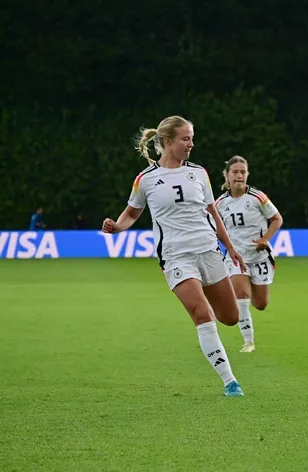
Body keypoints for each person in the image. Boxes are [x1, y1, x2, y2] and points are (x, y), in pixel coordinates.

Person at [102, 115, 247, 397]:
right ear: (168, 141)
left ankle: (207, 311)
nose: (191, 144)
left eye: (192, 138)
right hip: (175, 256)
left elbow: (213, 213)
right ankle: (230, 382)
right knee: (202, 314)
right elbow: (132, 212)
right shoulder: (146, 179)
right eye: (186, 139)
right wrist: (118, 227)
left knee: (230, 317)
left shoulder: (199, 173)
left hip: (208, 250)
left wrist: (230, 247)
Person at [216, 155, 284, 353]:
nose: (239, 176)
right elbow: (214, 227)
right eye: (235, 172)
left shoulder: (257, 197)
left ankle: (252, 290)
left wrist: (265, 239)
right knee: (241, 295)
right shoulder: (219, 203)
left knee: (261, 304)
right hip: (236, 257)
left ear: (247, 175)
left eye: (243, 172)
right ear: (227, 175)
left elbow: (277, 219)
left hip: (260, 256)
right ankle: (248, 342)